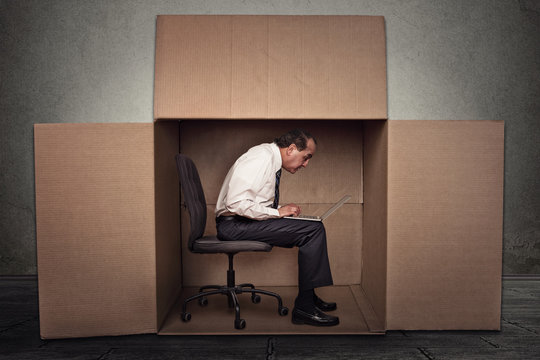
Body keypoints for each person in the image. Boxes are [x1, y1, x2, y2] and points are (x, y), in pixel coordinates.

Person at [215, 129, 339, 327]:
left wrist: (281, 211)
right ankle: (304, 309)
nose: (306, 164)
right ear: (291, 149)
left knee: (313, 226)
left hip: (243, 222)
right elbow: (235, 203)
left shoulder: (269, 159)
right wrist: (277, 213)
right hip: (233, 225)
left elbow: (251, 201)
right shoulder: (260, 158)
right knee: (312, 231)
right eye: (306, 158)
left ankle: (308, 298)